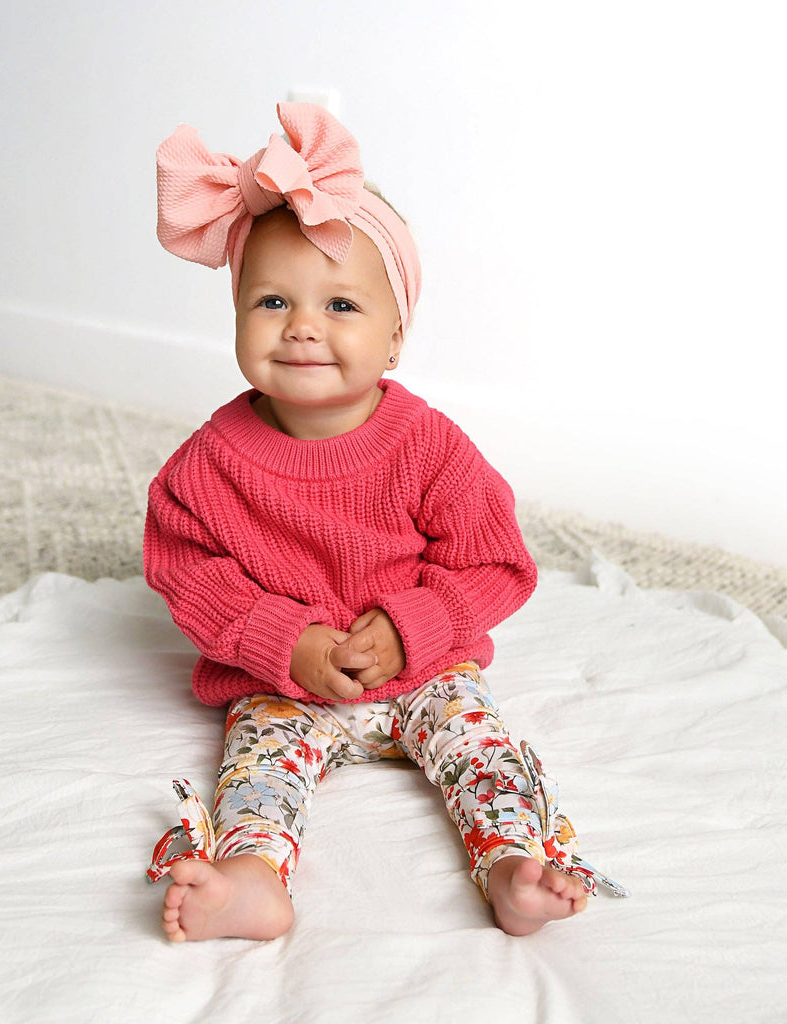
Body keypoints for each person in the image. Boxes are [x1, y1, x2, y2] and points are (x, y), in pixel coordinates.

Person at [143, 103, 622, 943]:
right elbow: (191, 575)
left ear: (396, 338)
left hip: (427, 671)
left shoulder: (428, 446)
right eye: (272, 300)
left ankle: (512, 865)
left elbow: (495, 563)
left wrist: (414, 628)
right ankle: (251, 881)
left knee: (483, 753)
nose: (302, 325)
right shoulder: (207, 465)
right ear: (236, 316)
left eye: (340, 305)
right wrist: (286, 641)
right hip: (287, 686)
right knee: (256, 771)